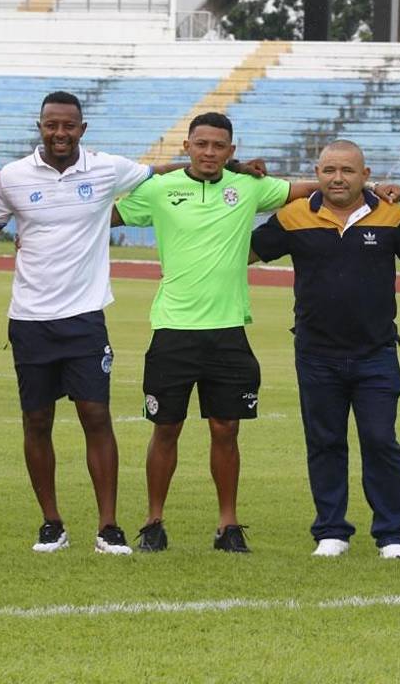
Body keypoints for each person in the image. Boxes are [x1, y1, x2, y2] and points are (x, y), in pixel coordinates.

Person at [0, 91, 197, 555]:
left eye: (68, 126)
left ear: (83, 128)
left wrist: (240, 170)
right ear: (39, 126)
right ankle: (52, 523)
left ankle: (108, 527)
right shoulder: (12, 178)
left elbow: (162, 173)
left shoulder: (106, 169)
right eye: (51, 125)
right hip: (31, 319)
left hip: (84, 318)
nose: (59, 133)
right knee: (37, 420)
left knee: (95, 415)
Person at [113, 112, 326, 554]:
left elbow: (315, 188)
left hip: (229, 330)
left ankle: (227, 525)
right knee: (165, 428)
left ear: (231, 150)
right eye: (201, 144)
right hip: (173, 328)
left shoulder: (249, 187)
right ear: (187, 146)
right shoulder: (158, 190)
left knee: (226, 429)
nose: (209, 152)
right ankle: (154, 521)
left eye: (218, 146)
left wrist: (374, 188)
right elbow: (101, 213)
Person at [251, 140, 400, 559]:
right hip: (316, 354)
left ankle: (392, 536)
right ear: (317, 172)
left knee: (381, 441)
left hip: (376, 353)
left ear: (365, 175)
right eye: (329, 170)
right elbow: (243, 252)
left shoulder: (391, 214)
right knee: (325, 442)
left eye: (347, 171)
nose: (337, 178)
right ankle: (332, 531)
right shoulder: (294, 215)